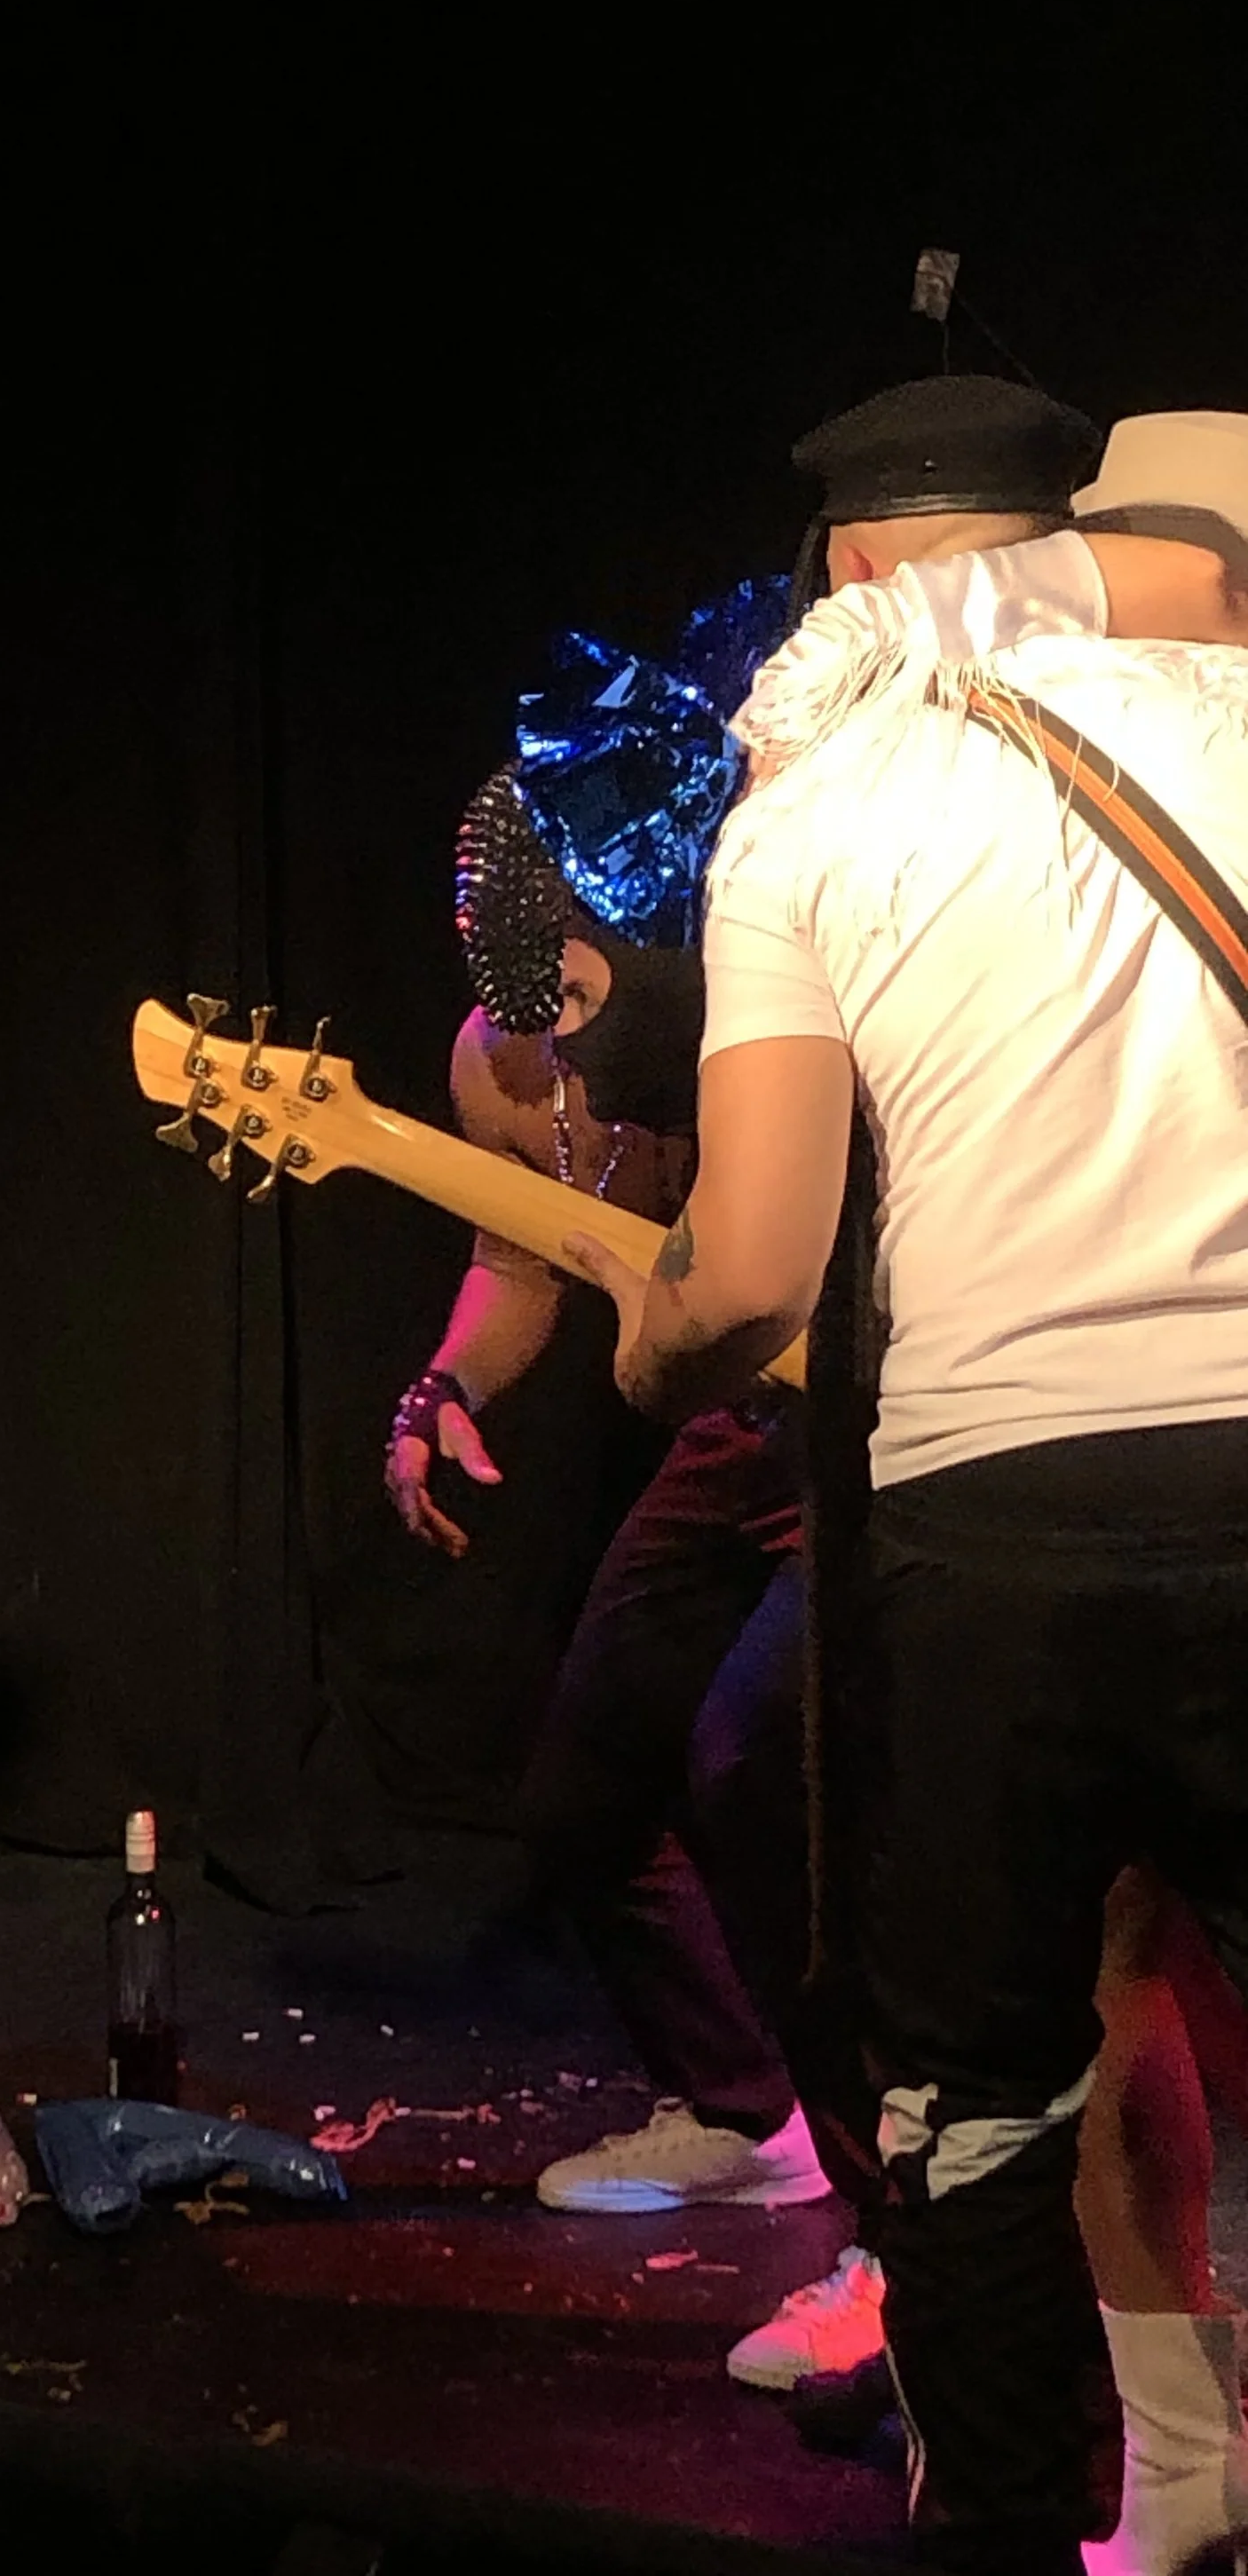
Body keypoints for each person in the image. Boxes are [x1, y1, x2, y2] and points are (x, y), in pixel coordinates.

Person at [573, 414, 1248, 2576]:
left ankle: (1032, 2524)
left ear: (852, 555)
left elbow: (752, 1267)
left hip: (995, 1519)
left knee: (971, 2111)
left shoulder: (815, 804)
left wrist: (646, 1332)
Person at [394, 379, 1110, 2396]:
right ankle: (749, 2117)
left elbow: (779, 1242)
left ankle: (920, 2254)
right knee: (594, 1779)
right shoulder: (506, 1054)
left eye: (584, 968)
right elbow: (518, 1251)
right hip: (736, 1406)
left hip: (881, 1401)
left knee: (773, 1779)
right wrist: (441, 1385)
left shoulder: (801, 905)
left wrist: (695, 1312)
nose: (561, 1012)